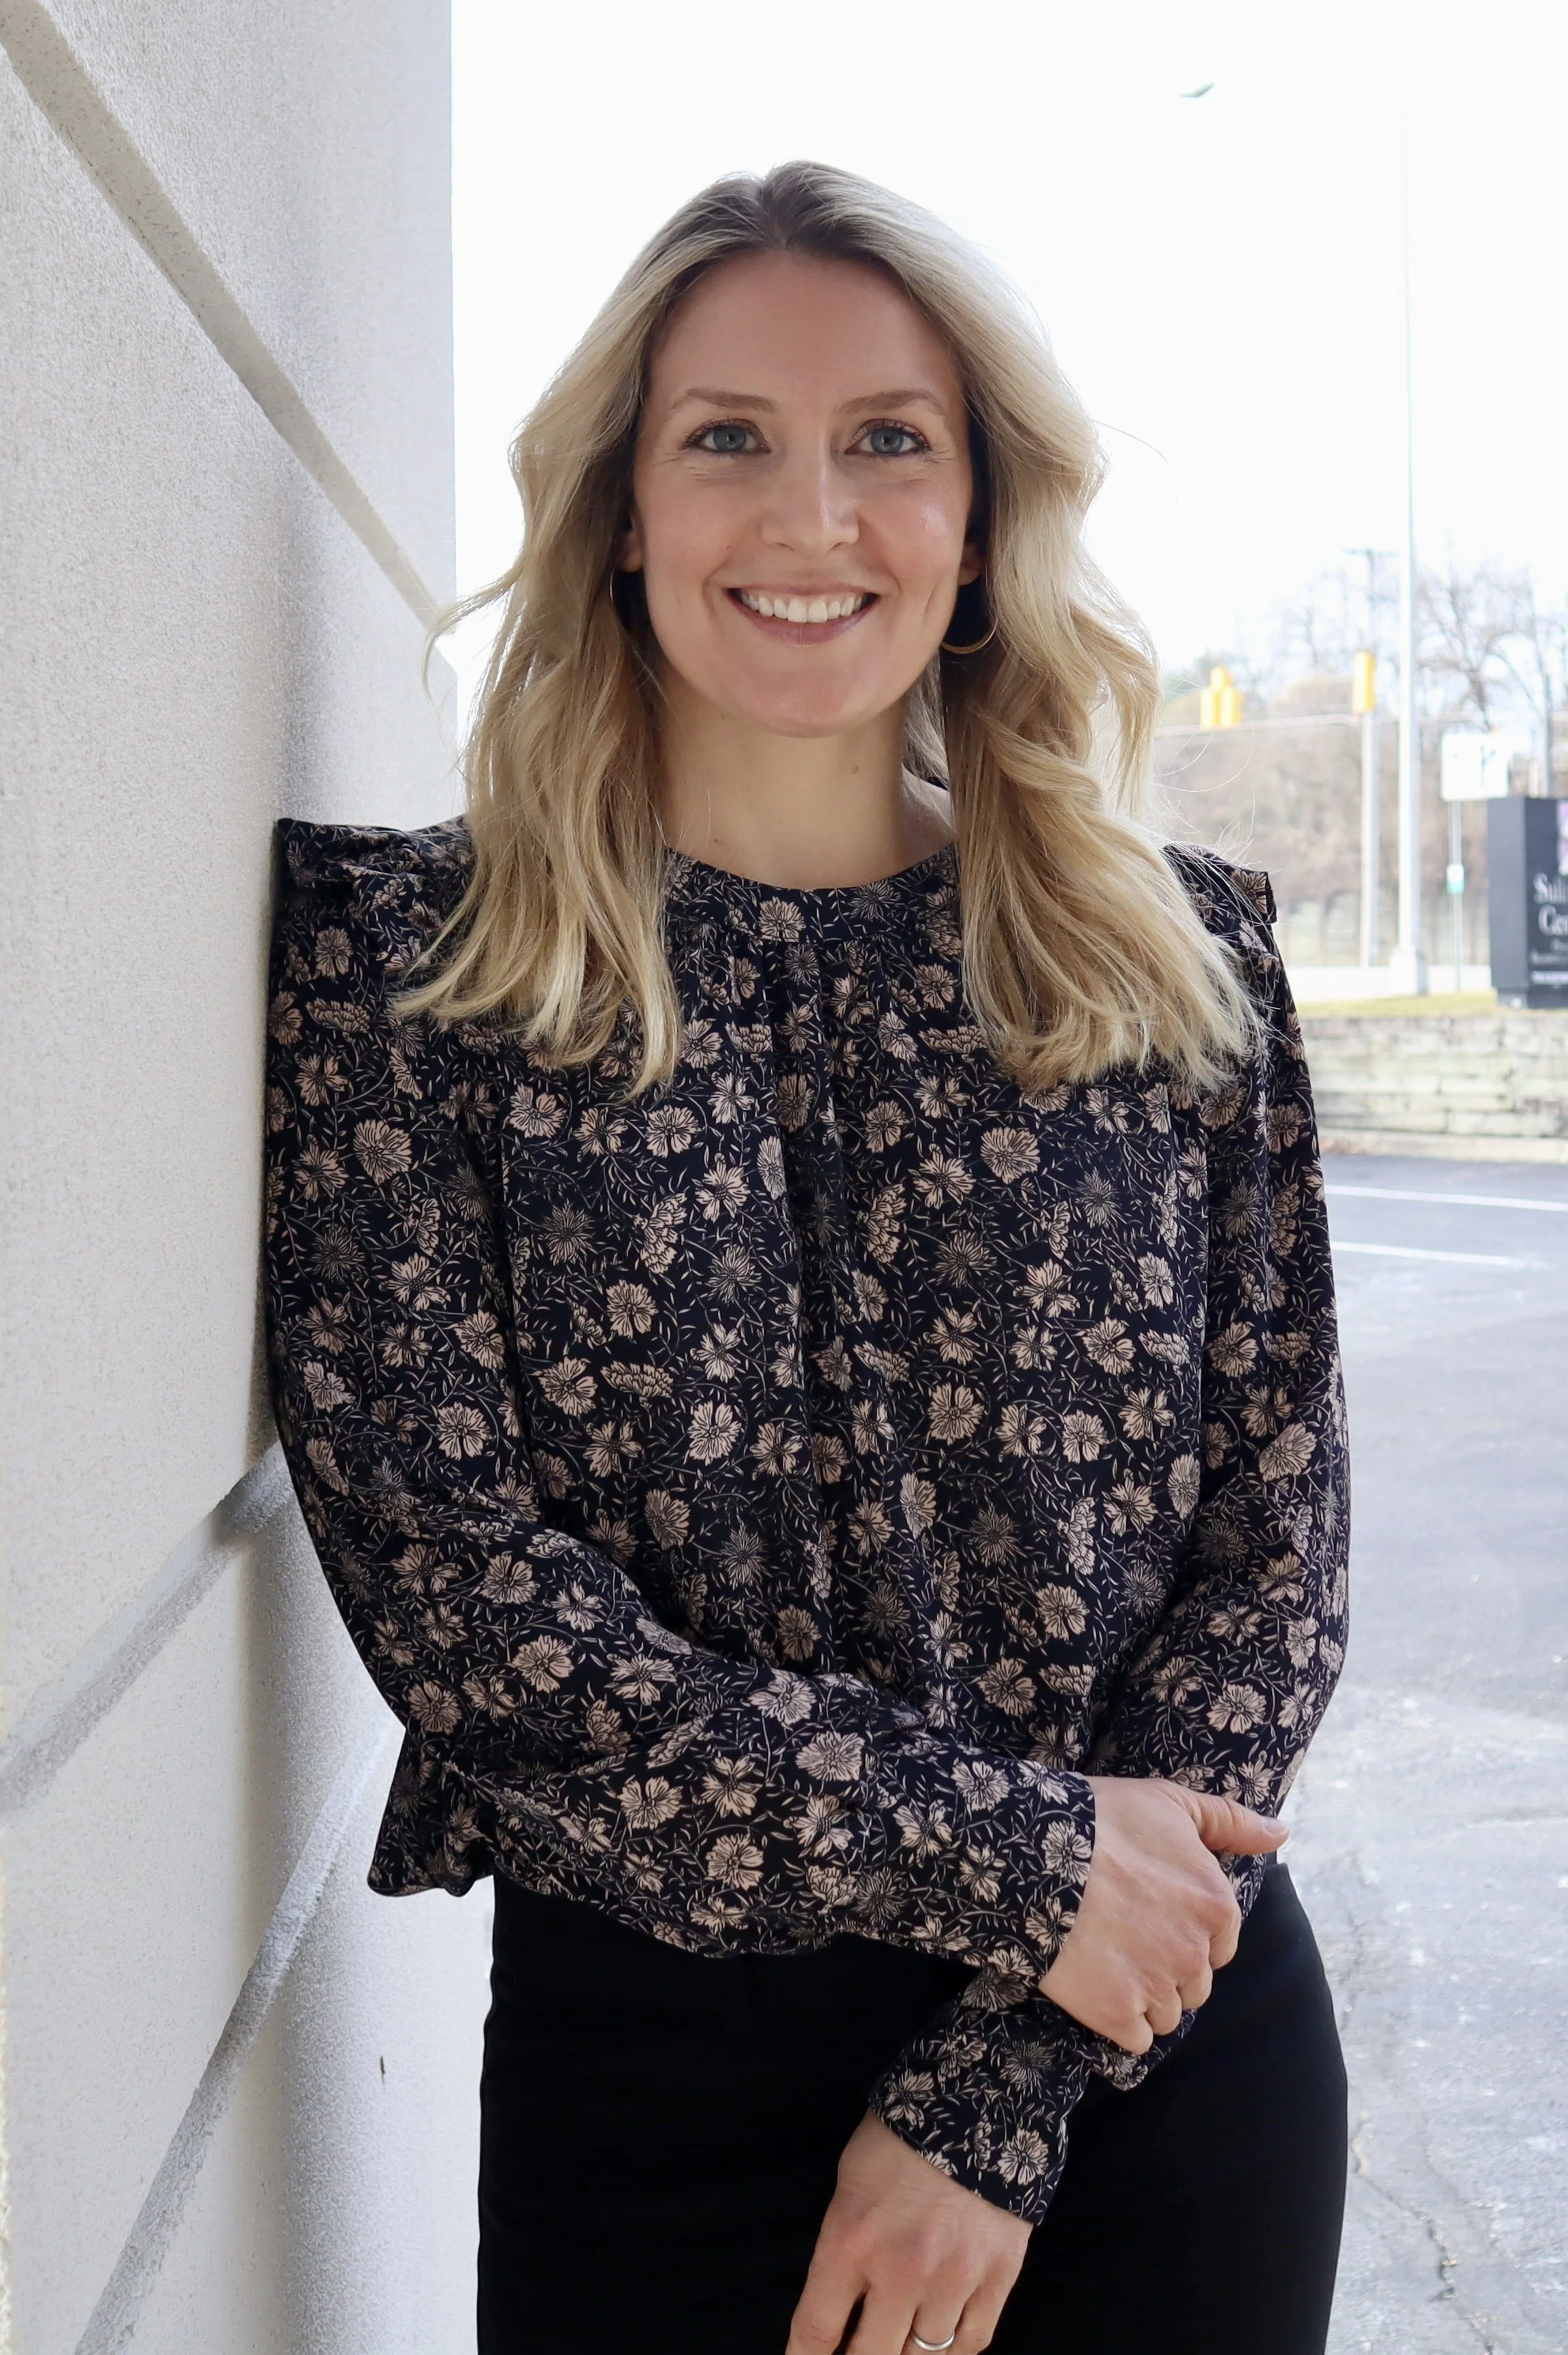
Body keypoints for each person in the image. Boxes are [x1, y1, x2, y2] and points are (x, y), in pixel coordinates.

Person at [264, 161, 1350, 2355]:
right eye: (726, 437)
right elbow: (469, 1614)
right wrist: (1025, 1870)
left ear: (976, 515)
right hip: (659, 2078)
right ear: (623, 506)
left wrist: (1004, 2086)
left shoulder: (1175, 959)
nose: (810, 518)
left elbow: (1275, 1562)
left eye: (888, 442)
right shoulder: (416, 975)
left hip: (1145, 2063)